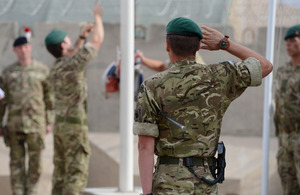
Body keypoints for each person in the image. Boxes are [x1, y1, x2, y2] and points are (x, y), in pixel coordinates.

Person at [134, 17, 273, 195]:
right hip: (205, 182)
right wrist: (225, 43)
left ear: (167, 45)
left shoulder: (151, 86)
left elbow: (144, 147)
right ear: (199, 46)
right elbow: (265, 66)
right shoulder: (220, 76)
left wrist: (147, 193)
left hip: (168, 183)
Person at [44, 3, 104, 195]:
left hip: (60, 127)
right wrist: (98, 17)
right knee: (76, 174)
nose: (70, 41)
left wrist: (80, 37)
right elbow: (98, 40)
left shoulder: (56, 67)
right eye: (67, 40)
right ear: (63, 45)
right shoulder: (72, 65)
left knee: (60, 173)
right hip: (74, 129)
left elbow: (72, 54)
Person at [0, 36, 54, 195]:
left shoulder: (43, 71)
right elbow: (1, 101)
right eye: (19, 48)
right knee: (16, 163)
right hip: (14, 126)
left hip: (36, 126)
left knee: (36, 164)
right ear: (15, 50)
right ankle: (18, 192)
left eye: (26, 47)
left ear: (30, 48)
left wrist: (48, 121)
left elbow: (49, 98)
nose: (23, 50)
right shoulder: (8, 73)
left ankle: (32, 192)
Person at [274, 24, 300, 195]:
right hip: (284, 138)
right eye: (286, 41)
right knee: (288, 186)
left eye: (293, 40)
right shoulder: (282, 71)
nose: (288, 44)